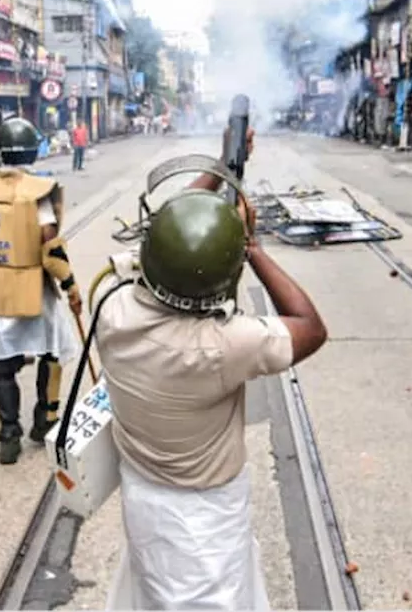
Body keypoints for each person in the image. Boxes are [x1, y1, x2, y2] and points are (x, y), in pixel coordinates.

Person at [95, 132, 328, 610]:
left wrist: (223, 166)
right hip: (205, 518)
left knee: (153, 591)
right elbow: (311, 327)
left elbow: (170, 226)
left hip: (144, 494)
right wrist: (253, 247)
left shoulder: (114, 304)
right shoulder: (222, 346)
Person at [0, 117, 83, 465]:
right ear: (32, 150)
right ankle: (46, 419)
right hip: (32, 290)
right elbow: (50, 247)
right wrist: (70, 285)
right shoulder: (38, 193)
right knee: (54, 350)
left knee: (0, 367)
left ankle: (8, 437)